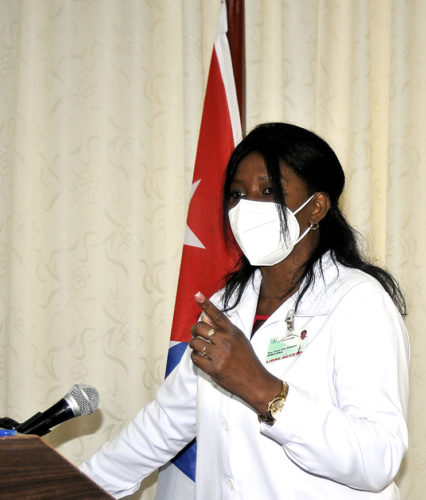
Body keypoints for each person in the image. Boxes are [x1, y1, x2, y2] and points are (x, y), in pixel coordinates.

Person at [80, 123, 409, 499]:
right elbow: (160, 427)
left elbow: (378, 458)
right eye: (237, 194)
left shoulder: (359, 302)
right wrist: (58, 488)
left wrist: (263, 389)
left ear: (316, 207)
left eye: (268, 191)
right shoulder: (225, 307)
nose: (246, 207)